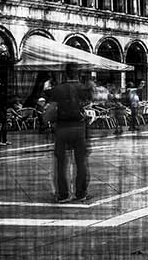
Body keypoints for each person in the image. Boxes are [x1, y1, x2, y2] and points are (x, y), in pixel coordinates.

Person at [48, 63, 92, 202]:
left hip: (61, 129)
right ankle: (81, 193)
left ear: (65, 74)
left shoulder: (57, 89)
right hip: (79, 128)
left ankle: (63, 194)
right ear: (78, 74)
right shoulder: (83, 89)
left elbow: (50, 112)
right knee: (81, 162)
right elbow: (88, 109)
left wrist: (48, 122)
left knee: (61, 163)